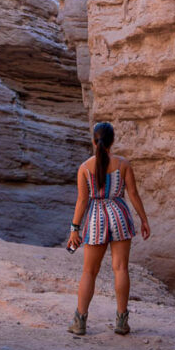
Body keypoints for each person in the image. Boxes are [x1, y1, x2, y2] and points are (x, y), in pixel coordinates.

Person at [66, 121, 151, 335]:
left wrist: (74, 228)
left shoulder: (85, 168)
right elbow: (133, 194)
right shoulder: (123, 164)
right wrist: (144, 220)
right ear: (112, 141)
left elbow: (82, 201)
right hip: (119, 215)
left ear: (94, 140)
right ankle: (122, 322)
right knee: (120, 268)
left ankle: (80, 322)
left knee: (89, 271)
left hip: (96, 218)